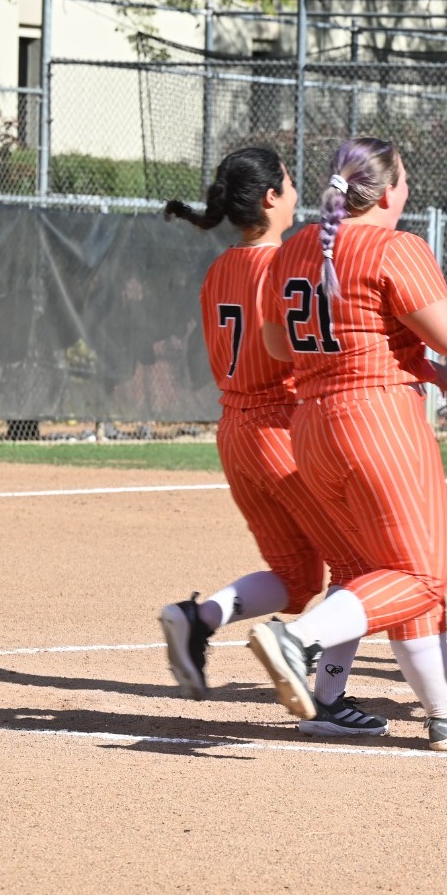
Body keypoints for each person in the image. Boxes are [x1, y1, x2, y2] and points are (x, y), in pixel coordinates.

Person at [243, 136, 447, 751]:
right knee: (419, 575)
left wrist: (401, 355)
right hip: (378, 423)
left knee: (372, 570)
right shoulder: (395, 246)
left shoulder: (294, 247)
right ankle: (296, 641)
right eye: (403, 182)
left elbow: (276, 346)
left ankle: (443, 711)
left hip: (312, 426)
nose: (407, 192)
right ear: (386, 192)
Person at [157, 147, 392, 737]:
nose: (296, 192)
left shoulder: (220, 268)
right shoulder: (284, 261)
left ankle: (200, 617)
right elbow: (290, 344)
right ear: (270, 198)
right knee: (361, 565)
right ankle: (329, 701)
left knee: (297, 575)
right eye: (288, 183)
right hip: (280, 426)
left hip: (234, 429)